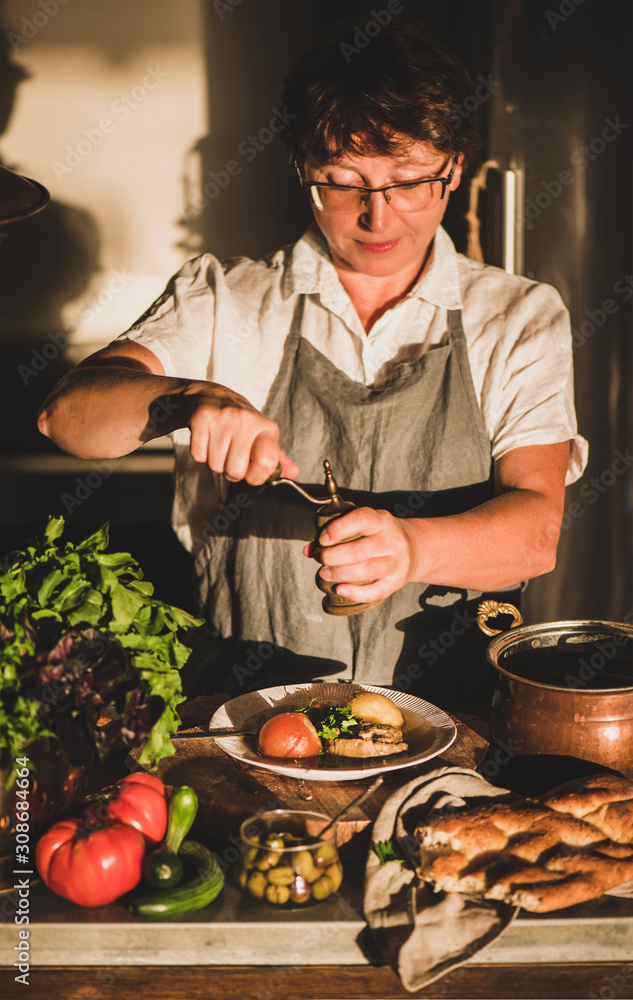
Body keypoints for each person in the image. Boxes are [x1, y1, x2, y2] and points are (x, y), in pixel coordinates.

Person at [38, 18, 587, 711]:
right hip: (248, 720)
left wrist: (410, 550)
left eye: (409, 182)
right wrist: (184, 399)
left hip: (457, 721)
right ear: (303, 168)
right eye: (341, 182)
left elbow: (535, 534)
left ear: (453, 169)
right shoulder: (226, 298)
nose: (377, 217)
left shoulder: (518, 314)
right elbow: (67, 419)